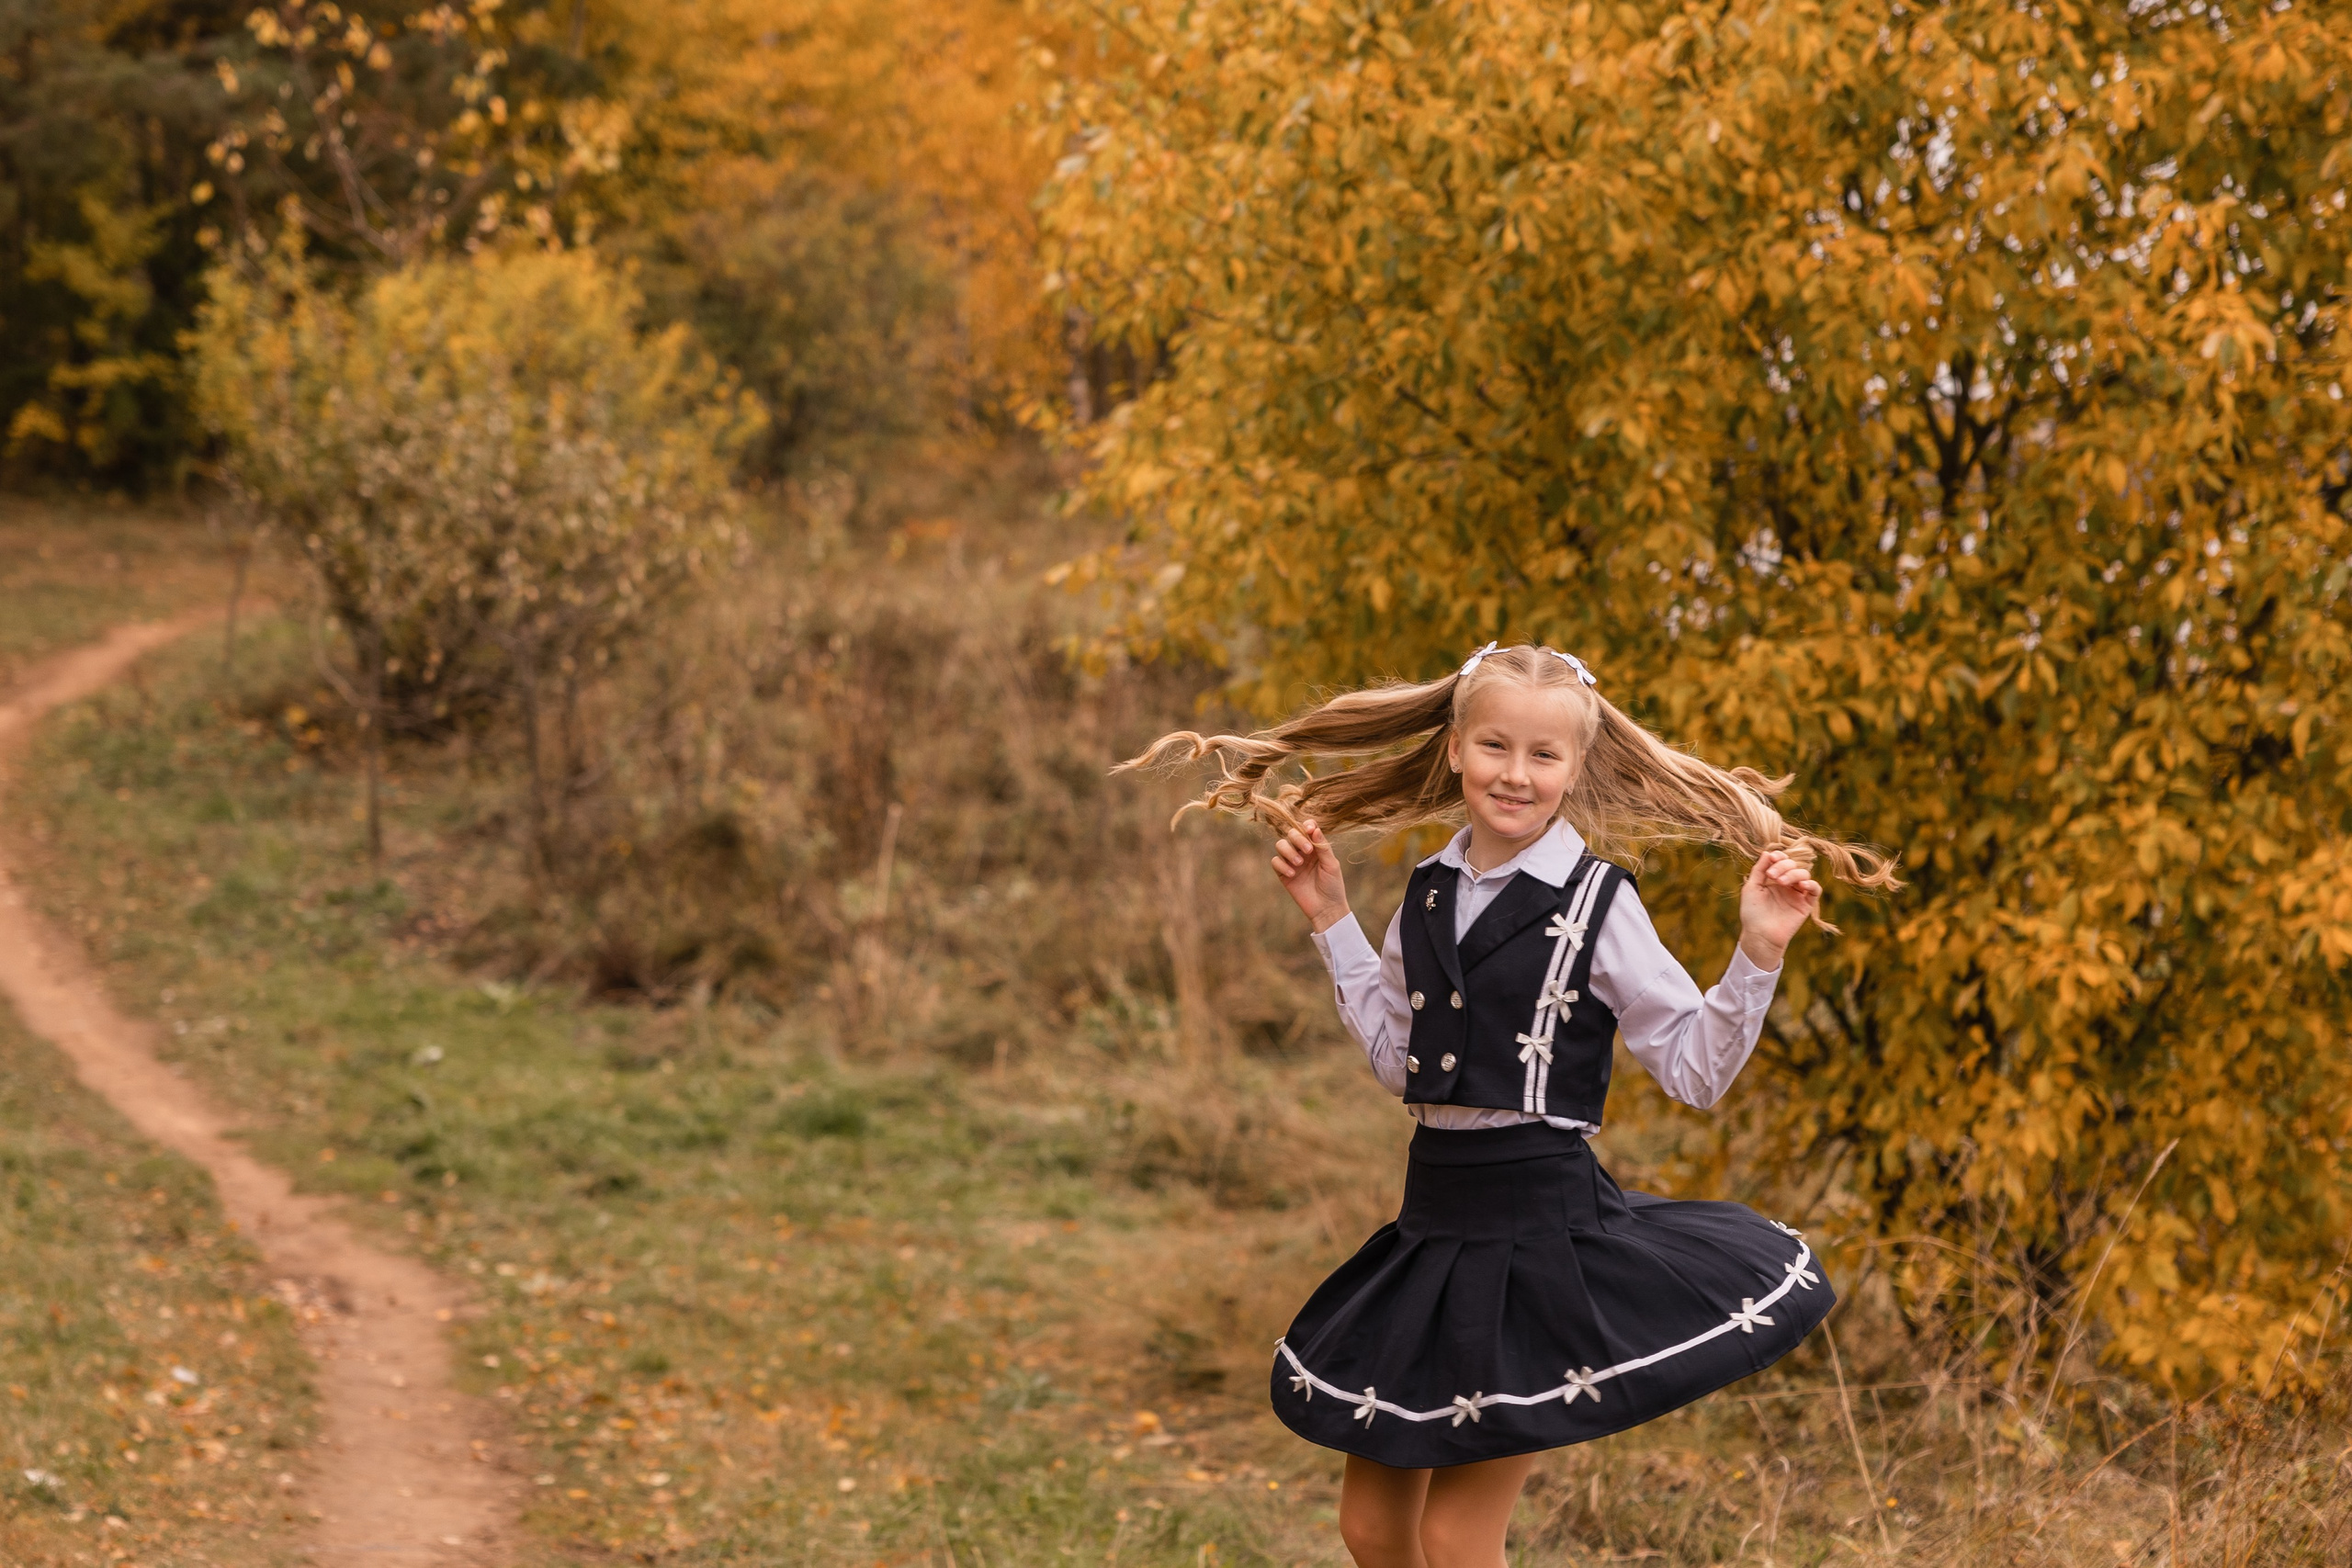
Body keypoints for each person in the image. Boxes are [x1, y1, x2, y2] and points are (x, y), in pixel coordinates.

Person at [1121, 642, 1900, 1567]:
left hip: (1540, 1237)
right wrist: (1332, 918)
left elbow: (1695, 1071)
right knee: (1372, 1530)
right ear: (1455, 748)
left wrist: (1758, 950)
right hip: (1433, 1224)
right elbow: (1403, 1065)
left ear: (1576, 766)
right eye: (1495, 746)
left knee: (1456, 1537)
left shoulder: (1598, 902)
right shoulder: (1427, 893)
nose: (1516, 774)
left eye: (1543, 754)